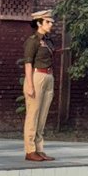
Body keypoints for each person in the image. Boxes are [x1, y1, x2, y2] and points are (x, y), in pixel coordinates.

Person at [22, 9, 57, 162]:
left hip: (49, 76)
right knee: (33, 115)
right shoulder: (33, 41)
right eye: (48, 22)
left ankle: (39, 149)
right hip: (36, 77)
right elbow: (28, 64)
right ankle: (30, 150)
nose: (51, 24)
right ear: (39, 23)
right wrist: (30, 85)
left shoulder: (48, 41)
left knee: (42, 116)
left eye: (51, 22)